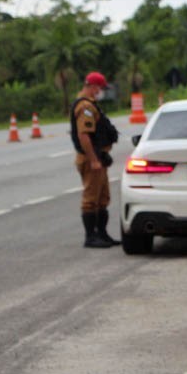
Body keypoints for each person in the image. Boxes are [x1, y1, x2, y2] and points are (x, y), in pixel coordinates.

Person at [71, 71, 120, 248]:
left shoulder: (91, 104)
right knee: (91, 198)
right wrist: (93, 159)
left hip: (99, 156)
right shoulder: (85, 107)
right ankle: (90, 236)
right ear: (93, 87)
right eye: (100, 88)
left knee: (102, 197)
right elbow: (84, 135)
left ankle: (102, 234)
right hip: (91, 158)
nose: (101, 91)